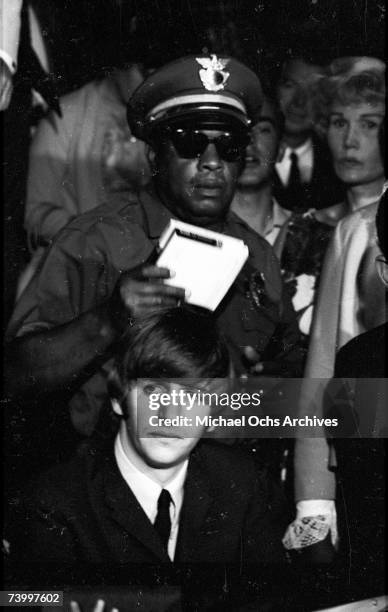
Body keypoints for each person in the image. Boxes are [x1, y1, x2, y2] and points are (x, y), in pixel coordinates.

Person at [5, 55, 302, 477]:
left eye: (230, 145)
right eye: (190, 143)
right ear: (155, 156)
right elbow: (15, 379)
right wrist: (107, 321)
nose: (212, 162)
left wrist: (267, 391)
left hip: (224, 498)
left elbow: (299, 392)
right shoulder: (95, 241)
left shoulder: (257, 257)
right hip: (105, 489)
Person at [7, 307, 286, 609]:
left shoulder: (242, 483)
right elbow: (27, 601)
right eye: (154, 392)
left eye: (191, 396)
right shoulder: (53, 503)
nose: (171, 415)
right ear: (118, 398)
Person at [287, 64, 386, 557]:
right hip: (364, 454)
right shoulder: (355, 232)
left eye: (371, 124)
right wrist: (314, 502)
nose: (351, 141)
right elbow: (323, 366)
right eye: (340, 122)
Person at [273, 54, 345, 212]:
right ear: (275, 87)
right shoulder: (250, 156)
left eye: (313, 92)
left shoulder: (341, 164)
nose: (299, 101)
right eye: (290, 85)